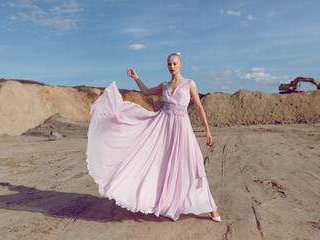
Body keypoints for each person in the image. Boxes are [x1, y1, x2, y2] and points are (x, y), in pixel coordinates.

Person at [86, 52, 220, 222]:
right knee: (163, 165)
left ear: (181, 65)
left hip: (182, 129)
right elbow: (146, 92)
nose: (171, 66)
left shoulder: (189, 84)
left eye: (174, 64)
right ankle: (170, 204)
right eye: (169, 64)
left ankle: (211, 208)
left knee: (191, 164)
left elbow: (199, 107)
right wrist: (136, 77)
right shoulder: (164, 85)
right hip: (163, 127)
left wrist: (207, 130)